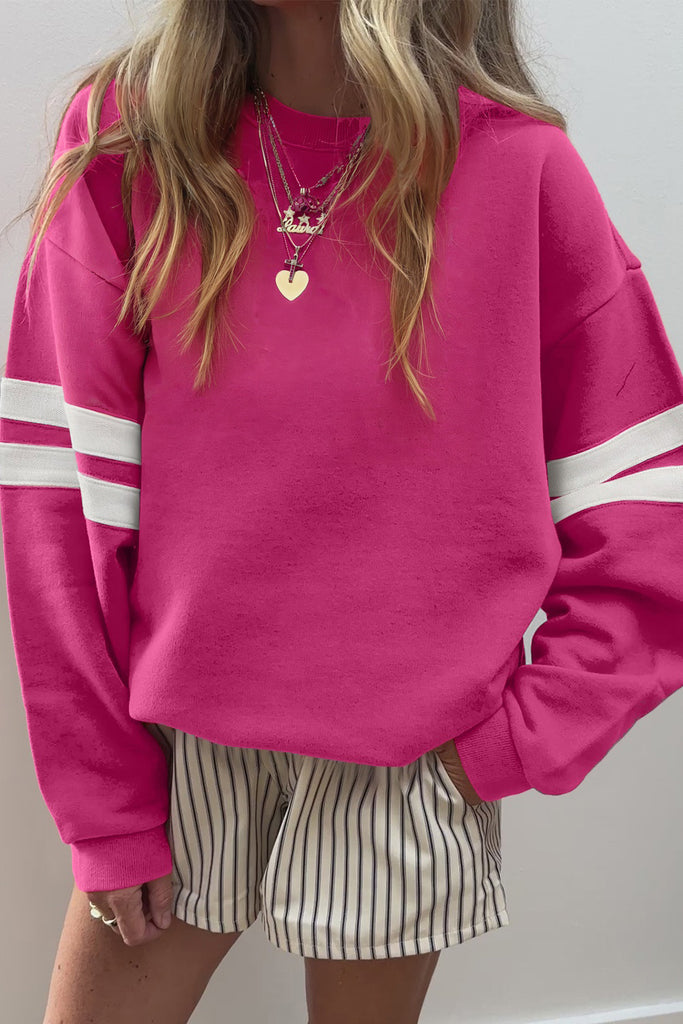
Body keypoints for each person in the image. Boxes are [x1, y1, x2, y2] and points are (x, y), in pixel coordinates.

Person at [1, 1, 682, 1022]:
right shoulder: (133, 141)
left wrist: (515, 741)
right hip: (172, 742)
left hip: (413, 761)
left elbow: (647, 499)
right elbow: (57, 489)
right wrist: (102, 798)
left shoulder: (520, 170)